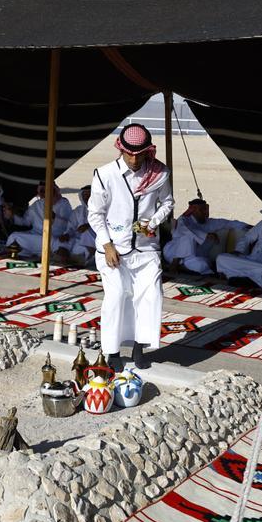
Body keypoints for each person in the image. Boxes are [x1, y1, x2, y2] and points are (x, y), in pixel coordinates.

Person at [87, 123, 173, 370]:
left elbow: (167, 203)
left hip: (146, 249)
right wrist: (107, 244)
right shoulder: (105, 175)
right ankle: (112, 351)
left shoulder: (160, 173)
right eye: (130, 153)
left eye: (139, 153)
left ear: (148, 151)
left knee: (150, 295)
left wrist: (153, 222)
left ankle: (139, 345)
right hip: (113, 248)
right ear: (121, 149)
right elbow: (95, 214)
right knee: (116, 296)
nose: (134, 158)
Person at [162, 198, 248, 275]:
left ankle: (184, 268)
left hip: (192, 258)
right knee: (188, 237)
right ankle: (175, 263)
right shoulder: (184, 220)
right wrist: (207, 235)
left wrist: (249, 227)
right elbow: (188, 231)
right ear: (193, 210)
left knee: (201, 264)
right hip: (173, 252)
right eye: (201, 210)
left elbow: (228, 223)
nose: (205, 213)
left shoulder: (209, 222)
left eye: (206, 209)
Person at [6, 182, 74, 258]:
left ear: (54, 190)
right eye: (42, 191)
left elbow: (69, 224)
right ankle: (33, 253)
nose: (45, 193)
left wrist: (55, 218)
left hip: (54, 236)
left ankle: (38, 253)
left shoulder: (63, 203)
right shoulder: (37, 204)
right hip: (36, 234)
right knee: (14, 236)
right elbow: (25, 222)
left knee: (60, 245)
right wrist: (12, 215)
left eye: (47, 191)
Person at [67, 185, 97, 264]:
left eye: (89, 195)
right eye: (85, 195)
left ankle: (91, 252)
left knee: (86, 232)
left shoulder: (101, 209)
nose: (87, 197)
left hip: (97, 239)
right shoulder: (78, 211)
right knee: (75, 250)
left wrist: (88, 226)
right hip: (79, 240)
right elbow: (71, 226)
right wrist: (67, 234)